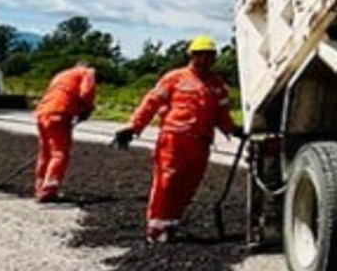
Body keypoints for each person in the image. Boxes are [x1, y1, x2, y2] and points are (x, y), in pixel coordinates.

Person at [113, 36, 240, 243]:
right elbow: (151, 103)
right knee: (167, 181)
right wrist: (133, 127)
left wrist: (234, 130)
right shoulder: (174, 78)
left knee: (189, 184)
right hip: (174, 139)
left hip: (201, 142)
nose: (206, 59)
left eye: (210, 55)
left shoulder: (217, 85)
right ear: (192, 56)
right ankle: (156, 228)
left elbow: (222, 115)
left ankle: (171, 223)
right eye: (201, 55)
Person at [33, 60, 98, 202]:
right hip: (59, 113)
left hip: (43, 112)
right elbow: (86, 92)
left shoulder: (62, 74)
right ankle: (49, 190)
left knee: (45, 153)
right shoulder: (87, 72)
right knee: (59, 153)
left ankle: (39, 187)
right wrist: (87, 108)